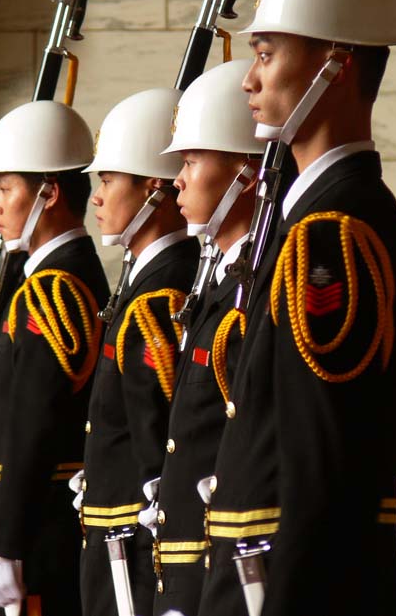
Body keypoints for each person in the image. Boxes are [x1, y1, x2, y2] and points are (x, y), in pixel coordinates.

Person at [198, 0, 396, 616]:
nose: (249, 79)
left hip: (291, 591)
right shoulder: (326, 218)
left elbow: (323, 463)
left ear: (334, 66)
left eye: (267, 54)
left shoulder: (328, 232)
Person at [147, 59, 292, 616]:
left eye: (190, 160)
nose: (177, 180)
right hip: (195, 565)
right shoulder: (222, 286)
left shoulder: (265, 281)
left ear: (245, 175)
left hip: (236, 566)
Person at [0, 99, 110, 616]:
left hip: (33, 540)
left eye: (5, 188)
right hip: (28, 532)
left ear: (49, 192)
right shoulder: (44, 281)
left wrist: (5, 542)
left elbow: (38, 422)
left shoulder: (56, 289)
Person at [75, 88, 199, 616]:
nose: (97, 198)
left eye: (108, 180)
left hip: (137, 549)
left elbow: (163, 441)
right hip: (114, 539)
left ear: (154, 189)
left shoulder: (160, 294)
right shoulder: (140, 285)